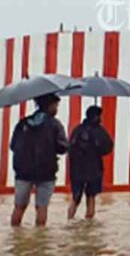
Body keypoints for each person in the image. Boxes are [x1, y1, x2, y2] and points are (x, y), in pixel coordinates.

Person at [9, 94, 68, 227]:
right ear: (50, 106)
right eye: (56, 105)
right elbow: (62, 148)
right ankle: (40, 242)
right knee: (41, 208)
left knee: (19, 207)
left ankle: (15, 238)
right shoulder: (55, 125)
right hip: (46, 172)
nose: (57, 109)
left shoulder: (22, 123)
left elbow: (13, 146)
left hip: (23, 172)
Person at [68, 105, 114, 220]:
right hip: (94, 169)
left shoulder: (77, 129)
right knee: (91, 196)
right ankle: (89, 224)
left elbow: (70, 148)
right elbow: (108, 147)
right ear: (96, 116)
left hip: (77, 169)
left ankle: (69, 220)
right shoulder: (100, 131)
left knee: (76, 197)